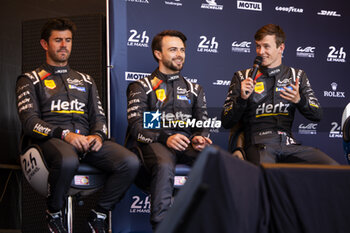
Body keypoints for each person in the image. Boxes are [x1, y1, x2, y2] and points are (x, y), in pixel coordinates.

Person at [16, 18, 140, 233]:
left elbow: (99, 119)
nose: (64, 45)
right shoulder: (29, 79)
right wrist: (65, 135)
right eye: (58, 40)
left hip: (85, 141)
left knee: (129, 161)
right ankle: (54, 212)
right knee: (67, 158)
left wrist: (98, 137)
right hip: (48, 141)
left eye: (68, 40)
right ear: (45, 44)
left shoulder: (86, 80)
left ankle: (99, 214)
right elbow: (29, 123)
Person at [126, 30, 212, 230]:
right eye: (173, 50)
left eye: (182, 50)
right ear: (158, 54)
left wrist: (200, 137)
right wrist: (166, 137)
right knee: (164, 164)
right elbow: (138, 124)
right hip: (152, 144)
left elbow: (202, 123)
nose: (179, 54)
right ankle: (161, 226)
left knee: (214, 160)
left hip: (185, 145)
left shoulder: (194, 88)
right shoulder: (143, 86)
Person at [221, 24, 338, 165]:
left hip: (289, 144)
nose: (260, 52)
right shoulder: (242, 77)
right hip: (259, 144)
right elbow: (226, 121)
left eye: (266, 46)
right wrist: (241, 99)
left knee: (332, 168)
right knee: (268, 175)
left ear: (281, 48)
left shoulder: (297, 76)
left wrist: (299, 100)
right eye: (258, 46)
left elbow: (317, 114)